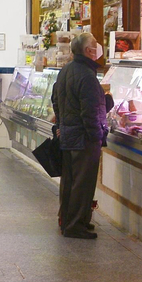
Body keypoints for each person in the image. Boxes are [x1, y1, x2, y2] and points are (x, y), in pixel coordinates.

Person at [52, 31, 106, 239]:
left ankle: (69, 221)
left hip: (68, 135)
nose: (98, 47)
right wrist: (97, 137)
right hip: (83, 139)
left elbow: (56, 99)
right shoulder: (87, 75)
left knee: (69, 182)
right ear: (88, 51)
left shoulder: (65, 70)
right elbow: (90, 112)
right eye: (94, 44)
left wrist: (62, 122)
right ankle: (76, 225)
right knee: (83, 184)